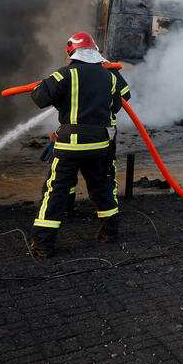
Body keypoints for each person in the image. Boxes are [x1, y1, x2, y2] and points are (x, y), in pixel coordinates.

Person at [28, 31, 130, 258]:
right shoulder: (110, 76)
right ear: (95, 52)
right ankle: (109, 234)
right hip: (99, 146)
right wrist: (108, 68)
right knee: (103, 188)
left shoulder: (63, 74)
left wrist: (52, 90)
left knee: (55, 192)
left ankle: (43, 245)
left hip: (68, 147)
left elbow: (38, 98)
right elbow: (121, 99)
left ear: (70, 52)